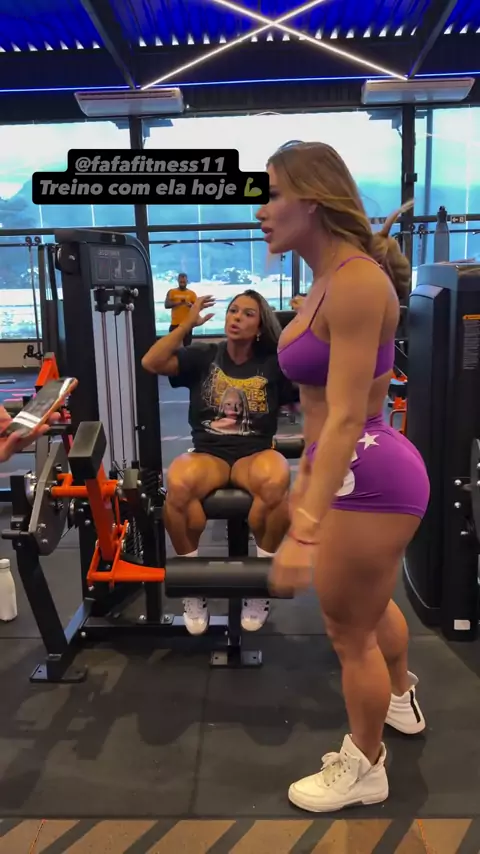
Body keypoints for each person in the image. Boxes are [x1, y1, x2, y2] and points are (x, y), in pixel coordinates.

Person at [256, 142, 430, 813]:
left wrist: (304, 528)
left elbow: (348, 415)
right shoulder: (326, 281)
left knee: (348, 632)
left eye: (273, 194)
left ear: (312, 200)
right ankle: (400, 695)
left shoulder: (356, 282)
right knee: (369, 607)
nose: (262, 211)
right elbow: (322, 414)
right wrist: (306, 490)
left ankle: (366, 766)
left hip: (369, 475)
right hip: (346, 468)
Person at [142, 290, 295, 636]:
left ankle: (262, 585)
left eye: (248, 314)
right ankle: (193, 587)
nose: (236, 317)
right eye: (233, 310)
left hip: (254, 453)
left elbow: (314, 378)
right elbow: (151, 362)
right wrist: (186, 325)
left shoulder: (274, 362)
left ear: (260, 327)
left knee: (277, 477)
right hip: (209, 454)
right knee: (178, 481)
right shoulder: (204, 356)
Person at [164, 273, 197, 346]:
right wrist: (179, 302)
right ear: (178, 281)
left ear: (187, 281)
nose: (182, 283)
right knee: (172, 346)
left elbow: (197, 307)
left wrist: (191, 306)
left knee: (187, 347)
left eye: (184, 282)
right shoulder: (172, 292)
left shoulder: (192, 294)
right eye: (181, 282)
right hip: (175, 324)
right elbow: (166, 305)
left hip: (187, 324)